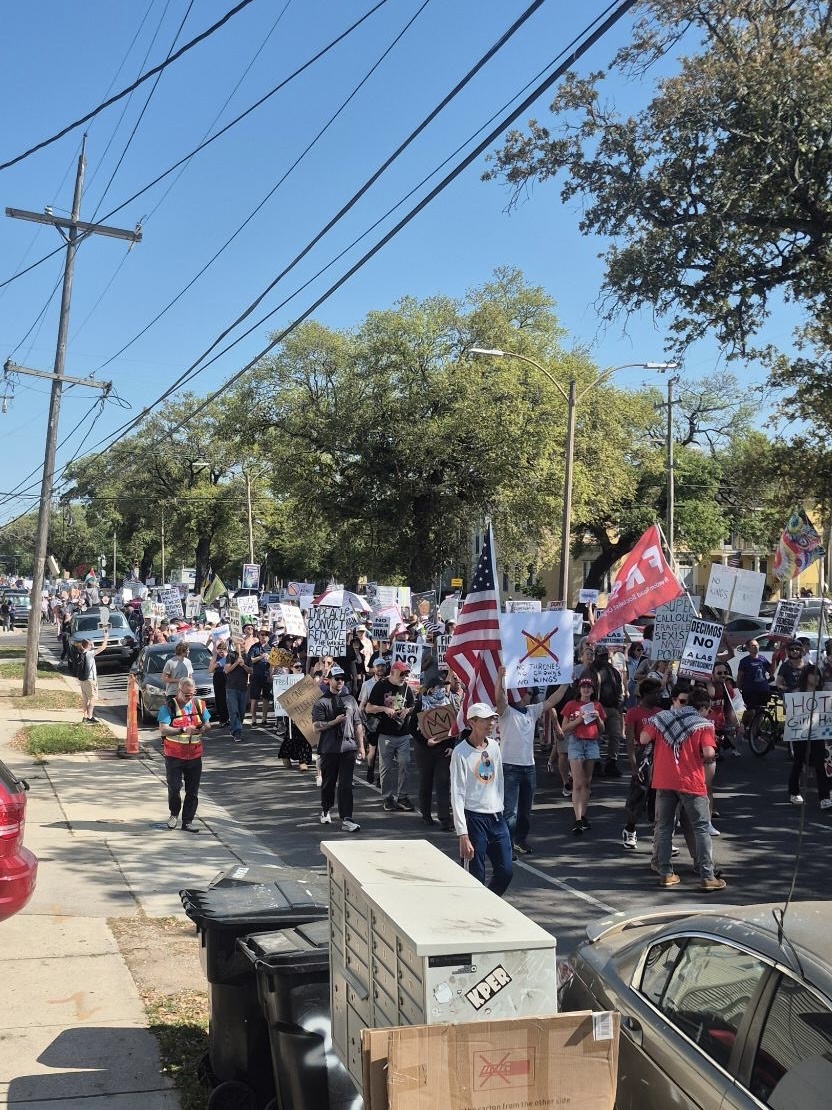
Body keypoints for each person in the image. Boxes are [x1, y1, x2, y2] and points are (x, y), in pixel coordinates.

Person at [640, 684, 726, 891]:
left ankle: (666, 873)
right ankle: (707, 875)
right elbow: (707, 753)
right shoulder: (703, 724)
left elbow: (643, 738)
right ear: (703, 707)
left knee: (664, 827)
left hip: (664, 779)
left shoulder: (663, 718)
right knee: (701, 828)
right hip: (690, 781)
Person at [494, 665, 567, 855]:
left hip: (529, 768)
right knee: (510, 810)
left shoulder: (532, 710)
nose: (523, 695)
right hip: (509, 766)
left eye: (526, 692)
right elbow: (499, 698)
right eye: (520, 692)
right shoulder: (506, 711)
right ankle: (506, 844)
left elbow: (552, 700)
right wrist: (500, 678)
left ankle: (520, 840)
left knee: (526, 809)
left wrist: (566, 681)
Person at [450, 702, 512, 895]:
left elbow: (499, 779)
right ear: (472, 722)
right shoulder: (461, 753)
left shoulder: (494, 746)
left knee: (505, 871)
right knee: (475, 877)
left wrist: (499, 807)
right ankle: (474, 913)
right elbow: (457, 793)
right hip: (473, 819)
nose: (491, 723)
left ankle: (489, 904)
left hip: (495, 817)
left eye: (492, 719)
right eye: (485, 719)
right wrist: (463, 833)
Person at [311, 664, 364, 832]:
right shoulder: (321, 702)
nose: (341, 682)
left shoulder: (350, 700)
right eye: (337, 679)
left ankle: (347, 818)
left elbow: (358, 724)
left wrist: (361, 746)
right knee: (328, 783)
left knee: (346, 785)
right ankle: (326, 809)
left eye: (343, 679)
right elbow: (316, 727)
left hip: (348, 748)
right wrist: (334, 722)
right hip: (329, 748)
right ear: (329, 681)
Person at [157, 676, 211, 832]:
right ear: (178, 690)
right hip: (174, 756)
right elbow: (163, 729)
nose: (189, 697)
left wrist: (203, 728)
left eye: (192, 694)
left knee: (192, 791)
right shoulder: (168, 707)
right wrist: (182, 729)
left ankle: (187, 821)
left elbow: (208, 724)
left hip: (194, 756)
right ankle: (174, 814)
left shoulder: (199, 705)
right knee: (174, 788)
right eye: (187, 694)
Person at [366, 659, 416, 812]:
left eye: (406, 674)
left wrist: (407, 711)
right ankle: (387, 797)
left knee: (405, 763)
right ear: (393, 673)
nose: (404, 677)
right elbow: (368, 708)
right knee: (386, 767)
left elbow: (413, 706)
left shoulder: (407, 688)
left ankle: (402, 796)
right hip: (386, 734)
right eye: (402, 674)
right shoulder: (381, 686)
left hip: (403, 733)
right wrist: (384, 709)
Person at [620, 677, 664, 849]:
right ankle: (630, 829)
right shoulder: (633, 713)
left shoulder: (661, 712)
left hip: (658, 758)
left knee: (658, 799)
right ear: (646, 694)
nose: (659, 696)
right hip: (642, 758)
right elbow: (630, 743)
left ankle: (659, 837)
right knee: (637, 798)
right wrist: (633, 766)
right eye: (656, 693)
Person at [560, 676, 606, 835]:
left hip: (592, 743)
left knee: (587, 783)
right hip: (576, 743)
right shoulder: (571, 705)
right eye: (583, 687)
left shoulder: (597, 705)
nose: (586, 689)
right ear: (579, 689)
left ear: (593, 690)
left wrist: (597, 717)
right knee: (578, 783)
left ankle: (584, 815)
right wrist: (580, 719)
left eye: (589, 687)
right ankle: (577, 818)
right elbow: (564, 728)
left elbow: (602, 730)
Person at [411, 675, 455, 831]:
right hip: (425, 750)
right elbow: (411, 728)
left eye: (443, 688)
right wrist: (425, 742)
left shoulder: (448, 703)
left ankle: (445, 819)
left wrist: (451, 746)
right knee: (426, 781)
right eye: (438, 688)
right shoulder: (421, 704)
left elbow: (453, 727)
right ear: (430, 690)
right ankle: (426, 814)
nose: (442, 690)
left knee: (443, 782)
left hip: (443, 749)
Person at [788, 664, 831, 809]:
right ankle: (794, 792)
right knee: (799, 761)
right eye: (814, 674)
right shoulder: (797, 692)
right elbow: (789, 710)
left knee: (820, 763)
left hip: (818, 732)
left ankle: (824, 797)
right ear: (806, 676)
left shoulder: (824, 693)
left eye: (818, 675)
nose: (817, 678)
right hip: (801, 732)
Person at [589, 645, 624, 775]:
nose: (603, 659)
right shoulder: (593, 671)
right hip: (599, 707)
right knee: (596, 735)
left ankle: (612, 761)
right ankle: (596, 762)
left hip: (612, 707)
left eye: (605, 656)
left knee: (615, 735)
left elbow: (619, 687)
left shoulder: (613, 671)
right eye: (601, 656)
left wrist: (619, 702)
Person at [736, 639, 773, 727]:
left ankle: (755, 732)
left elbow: (771, 671)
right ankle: (743, 727)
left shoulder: (763, 659)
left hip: (763, 690)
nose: (756, 647)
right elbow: (740, 676)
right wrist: (739, 686)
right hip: (750, 691)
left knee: (761, 711)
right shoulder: (744, 661)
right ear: (748, 648)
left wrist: (776, 659)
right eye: (753, 645)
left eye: (757, 645)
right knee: (751, 711)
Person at [78, 631, 110, 724]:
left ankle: (84, 717)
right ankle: (90, 717)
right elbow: (103, 648)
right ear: (88, 645)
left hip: (82, 679)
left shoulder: (81, 654)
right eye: (91, 644)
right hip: (90, 679)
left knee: (85, 698)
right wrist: (106, 637)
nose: (92, 646)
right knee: (93, 698)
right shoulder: (89, 654)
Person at [224, 641, 251, 742]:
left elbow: (251, 671)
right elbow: (226, 670)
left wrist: (243, 665)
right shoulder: (230, 655)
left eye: (243, 644)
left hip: (243, 687)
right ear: (235, 645)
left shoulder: (248, 657)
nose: (241, 646)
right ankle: (237, 732)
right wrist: (236, 663)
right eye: (239, 644)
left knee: (241, 712)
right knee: (234, 710)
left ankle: (234, 727)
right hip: (231, 687)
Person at [246, 627, 273, 726]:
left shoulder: (271, 648)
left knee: (266, 698)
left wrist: (271, 674)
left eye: (266, 635)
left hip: (267, 676)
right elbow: (250, 660)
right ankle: (253, 719)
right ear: (258, 635)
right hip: (256, 675)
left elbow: (274, 663)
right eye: (262, 634)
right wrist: (261, 657)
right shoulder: (254, 647)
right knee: (254, 698)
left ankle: (264, 719)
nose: (264, 636)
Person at [208, 640, 230, 727]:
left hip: (227, 677)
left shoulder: (229, 656)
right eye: (219, 649)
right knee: (220, 698)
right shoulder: (215, 657)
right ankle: (222, 719)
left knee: (228, 698)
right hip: (218, 677)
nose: (221, 651)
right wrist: (216, 665)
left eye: (223, 649)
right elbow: (210, 670)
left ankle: (229, 717)